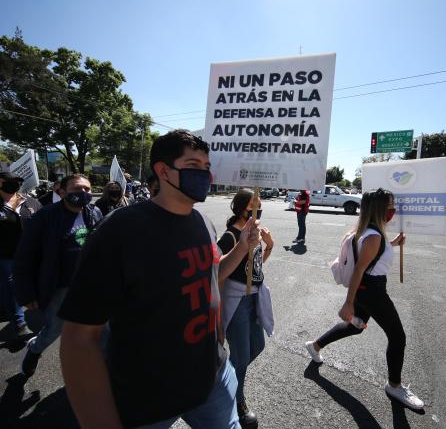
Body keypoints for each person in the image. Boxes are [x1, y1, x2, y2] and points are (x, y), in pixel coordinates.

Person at [58, 130, 261, 429]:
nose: (205, 174)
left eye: (207, 167)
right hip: (148, 393)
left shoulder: (203, 222)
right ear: (163, 171)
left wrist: (242, 247)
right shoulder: (119, 230)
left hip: (214, 376)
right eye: (193, 165)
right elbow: (79, 339)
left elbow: (211, 275)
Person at [305, 188, 424, 410]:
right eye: (390, 205)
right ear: (379, 208)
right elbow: (360, 269)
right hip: (371, 290)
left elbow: (370, 256)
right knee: (397, 336)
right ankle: (395, 386)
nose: (393, 210)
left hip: (366, 288)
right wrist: (348, 303)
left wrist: (393, 244)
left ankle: (315, 345)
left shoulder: (370, 233)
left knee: (355, 326)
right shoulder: (374, 236)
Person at [13, 174, 103, 377]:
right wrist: (26, 293)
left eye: (87, 189)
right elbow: (24, 257)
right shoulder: (44, 217)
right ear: (61, 192)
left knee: (98, 328)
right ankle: (35, 349)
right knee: (54, 330)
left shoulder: (94, 212)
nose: (84, 193)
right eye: (77, 189)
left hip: (88, 285)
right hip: (59, 286)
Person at [217, 190, 274, 429]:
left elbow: (255, 266)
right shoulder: (230, 237)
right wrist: (218, 317)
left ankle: (226, 378)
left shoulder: (254, 232)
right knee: (241, 358)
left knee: (257, 346)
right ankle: (236, 400)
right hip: (237, 302)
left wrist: (269, 245)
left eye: (259, 205)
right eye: (253, 206)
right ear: (242, 208)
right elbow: (217, 275)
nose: (258, 210)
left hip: (254, 299)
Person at [0, 172, 41, 339]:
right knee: (12, 285)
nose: (16, 184)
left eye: (18, 181)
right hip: (5, 255)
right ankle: (19, 323)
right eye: (11, 181)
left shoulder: (30, 202)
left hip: (31, 254)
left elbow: (43, 223)